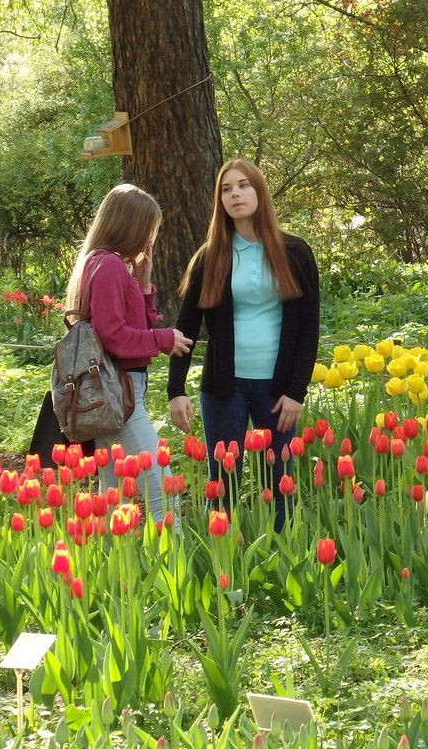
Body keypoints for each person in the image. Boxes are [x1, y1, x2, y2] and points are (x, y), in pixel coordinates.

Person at [168, 158, 320, 533]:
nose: (235, 194)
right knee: (222, 484)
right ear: (220, 200)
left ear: (259, 192)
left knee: (278, 481)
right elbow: (184, 329)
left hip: (278, 390)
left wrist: (296, 392)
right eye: (226, 189)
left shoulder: (295, 252)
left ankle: (283, 563)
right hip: (224, 388)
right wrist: (176, 390)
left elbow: (308, 328)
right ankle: (225, 570)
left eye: (243, 185)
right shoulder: (210, 257)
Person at [65, 184, 191, 527]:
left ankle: (115, 574)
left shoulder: (101, 264)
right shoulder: (108, 267)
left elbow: (129, 323)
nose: (149, 238)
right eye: (148, 229)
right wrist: (165, 339)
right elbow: (114, 336)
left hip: (111, 392)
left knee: (113, 495)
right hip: (119, 396)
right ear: (130, 226)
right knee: (162, 490)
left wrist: (144, 286)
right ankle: (174, 571)